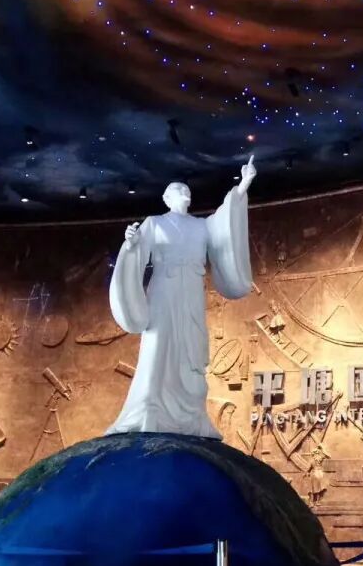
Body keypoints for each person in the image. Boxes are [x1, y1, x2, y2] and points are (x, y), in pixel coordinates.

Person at [105, 157, 257, 438]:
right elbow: (137, 249)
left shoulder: (202, 226)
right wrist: (131, 242)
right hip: (164, 290)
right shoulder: (155, 223)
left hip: (191, 293)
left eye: (186, 189)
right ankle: (150, 405)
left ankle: (192, 414)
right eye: (178, 189)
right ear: (166, 198)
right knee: (159, 344)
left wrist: (243, 185)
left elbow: (225, 221)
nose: (184, 191)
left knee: (190, 346)